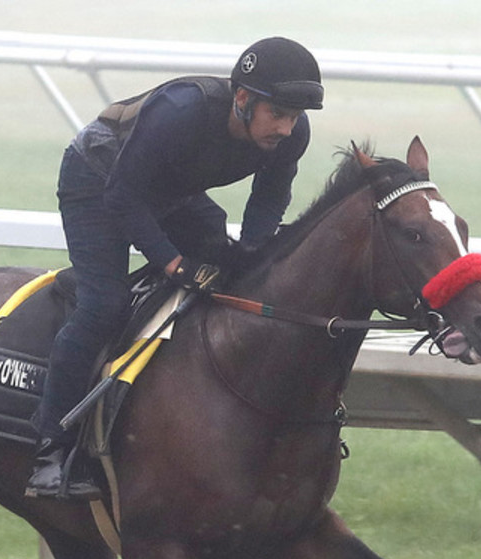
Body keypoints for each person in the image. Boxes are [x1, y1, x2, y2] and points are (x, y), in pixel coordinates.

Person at [27, 36, 325, 499]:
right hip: (98, 180)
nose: (286, 129)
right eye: (278, 114)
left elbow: (268, 200)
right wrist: (170, 263)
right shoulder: (182, 110)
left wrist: (251, 258)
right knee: (104, 304)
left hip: (168, 191)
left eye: (294, 117)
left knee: (228, 268)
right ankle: (50, 448)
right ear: (243, 99)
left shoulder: (291, 136)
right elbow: (123, 197)